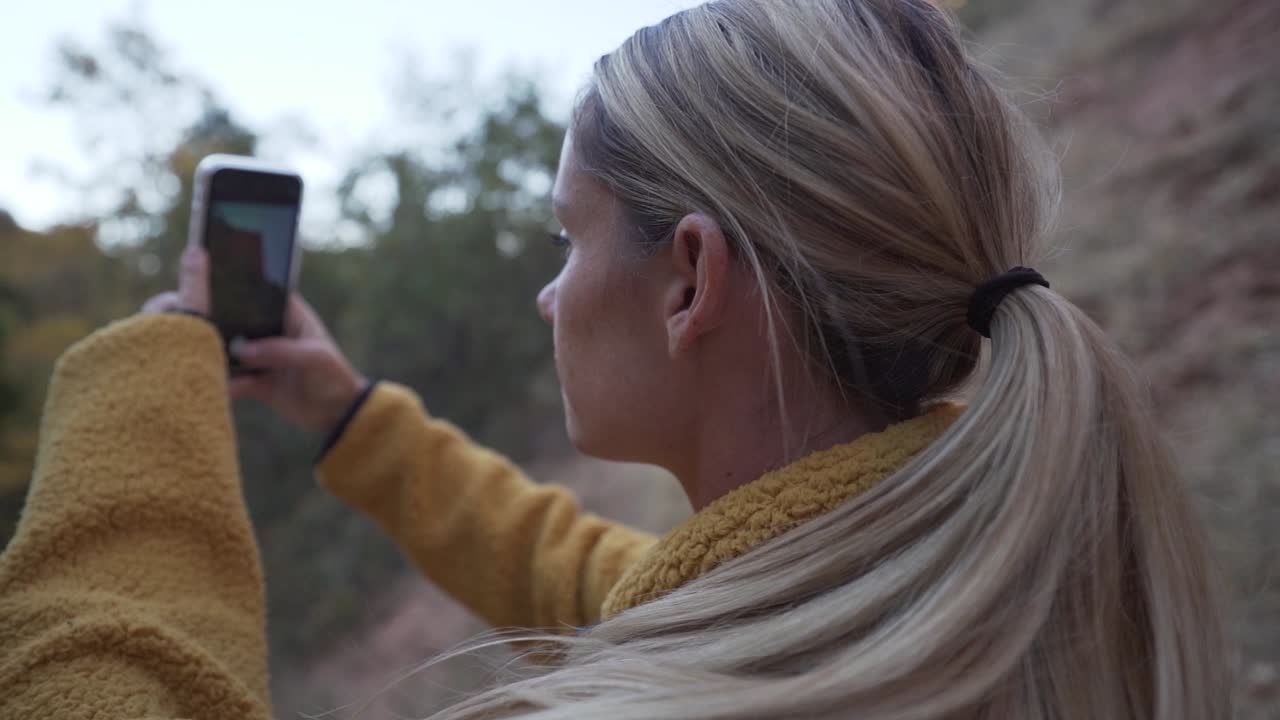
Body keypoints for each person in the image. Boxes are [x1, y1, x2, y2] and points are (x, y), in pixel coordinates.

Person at [0, 0, 1230, 718]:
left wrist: (142, 388)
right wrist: (350, 416)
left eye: (564, 238)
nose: (547, 294)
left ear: (688, 277)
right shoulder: (951, 574)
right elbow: (599, 582)